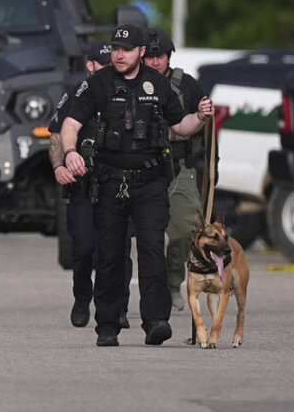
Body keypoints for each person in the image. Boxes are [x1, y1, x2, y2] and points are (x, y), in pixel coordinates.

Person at [62, 24, 213, 347]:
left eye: (126, 50)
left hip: (150, 181)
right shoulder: (97, 84)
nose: (118, 55)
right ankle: (107, 324)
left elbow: (181, 125)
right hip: (109, 181)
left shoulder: (158, 84)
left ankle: (156, 320)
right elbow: (71, 123)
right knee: (110, 254)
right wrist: (70, 152)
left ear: (141, 52)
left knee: (151, 250)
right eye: (115, 48)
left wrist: (200, 117)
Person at [49, 41, 132, 329]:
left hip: (118, 182)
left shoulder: (128, 91)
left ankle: (118, 306)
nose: (111, 69)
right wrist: (59, 166)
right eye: (104, 65)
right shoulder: (77, 94)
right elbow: (57, 134)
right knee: (84, 247)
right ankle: (82, 298)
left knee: (119, 248)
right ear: (90, 66)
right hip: (83, 182)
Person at [142, 27, 208, 311]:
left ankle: (172, 284)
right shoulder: (131, 83)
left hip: (181, 168)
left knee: (184, 231)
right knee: (148, 236)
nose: (156, 62)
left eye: (161, 56)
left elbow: (204, 129)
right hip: (143, 169)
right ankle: (152, 293)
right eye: (151, 56)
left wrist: (209, 172)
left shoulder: (187, 85)